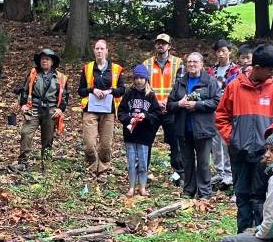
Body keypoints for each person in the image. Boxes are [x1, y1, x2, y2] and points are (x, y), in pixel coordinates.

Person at [215, 44, 273, 233]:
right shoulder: (234, 87)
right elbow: (221, 116)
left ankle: (262, 236)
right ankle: (243, 236)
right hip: (239, 152)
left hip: (265, 155)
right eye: (269, 70)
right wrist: (232, 138)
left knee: (262, 196)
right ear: (257, 68)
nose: (272, 74)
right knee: (242, 196)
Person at [170, 52, 222, 199]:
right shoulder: (180, 82)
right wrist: (179, 104)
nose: (192, 64)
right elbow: (170, 104)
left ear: (201, 64)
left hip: (203, 129)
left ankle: (205, 192)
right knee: (187, 161)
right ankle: (188, 190)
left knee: (204, 162)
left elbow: (217, 102)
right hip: (184, 129)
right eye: (189, 62)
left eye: (195, 62)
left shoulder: (210, 81)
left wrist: (197, 105)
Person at [77, 39, 125, 181]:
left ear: (107, 51)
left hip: (108, 110)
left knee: (105, 145)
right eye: (97, 48)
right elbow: (81, 91)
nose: (99, 51)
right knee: (89, 144)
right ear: (94, 51)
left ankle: (103, 168)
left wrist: (109, 91)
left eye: (102, 48)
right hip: (90, 109)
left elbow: (122, 90)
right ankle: (92, 166)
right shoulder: (87, 68)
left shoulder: (116, 69)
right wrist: (92, 90)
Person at [14, 47, 68, 171]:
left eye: (47, 59)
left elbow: (64, 96)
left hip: (50, 110)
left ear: (52, 62)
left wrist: (60, 109)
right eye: (43, 59)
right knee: (26, 132)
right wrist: (23, 105)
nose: (44, 61)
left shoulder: (60, 78)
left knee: (48, 138)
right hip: (33, 108)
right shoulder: (33, 74)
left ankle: (46, 165)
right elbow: (24, 90)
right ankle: (23, 162)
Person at [143, 34, 184, 184]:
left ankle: (179, 174)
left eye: (164, 43)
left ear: (169, 46)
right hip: (152, 109)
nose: (161, 45)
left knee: (175, 142)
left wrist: (168, 101)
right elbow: (144, 86)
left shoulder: (178, 63)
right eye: (158, 43)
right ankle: (143, 172)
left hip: (171, 109)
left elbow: (180, 85)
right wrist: (156, 102)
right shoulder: (146, 64)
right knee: (146, 140)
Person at [117, 65, 162, 197]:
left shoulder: (151, 96)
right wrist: (129, 119)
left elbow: (157, 115)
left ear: (146, 79)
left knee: (143, 163)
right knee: (131, 162)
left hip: (145, 135)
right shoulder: (129, 94)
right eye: (136, 78)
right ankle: (131, 187)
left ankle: (142, 187)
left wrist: (145, 116)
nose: (139, 80)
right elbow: (121, 112)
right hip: (130, 134)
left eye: (142, 78)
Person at [207, 39, 239, 189]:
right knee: (215, 142)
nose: (221, 54)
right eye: (218, 51)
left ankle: (229, 172)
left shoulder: (236, 70)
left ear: (229, 52)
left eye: (224, 51)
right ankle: (219, 171)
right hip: (213, 109)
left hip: (228, 110)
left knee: (226, 140)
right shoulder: (211, 70)